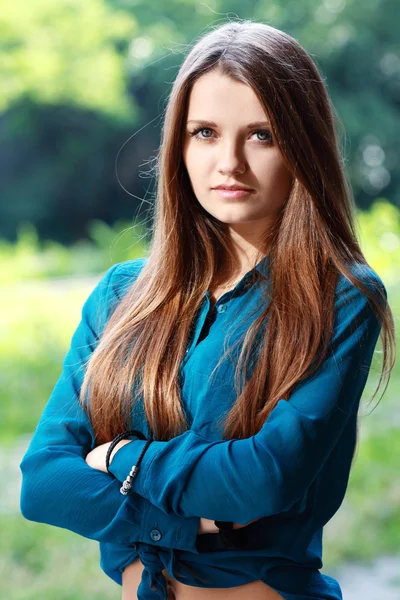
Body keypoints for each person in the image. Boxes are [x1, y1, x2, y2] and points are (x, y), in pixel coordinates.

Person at [19, 18, 396, 600]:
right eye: (205, 132)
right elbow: (44, 481)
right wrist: (192, 520)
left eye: (262, 135)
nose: (230, 163)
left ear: (303, 146)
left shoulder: (341, 296)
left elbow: (263, 479)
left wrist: (123, 456)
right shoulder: (122, 296)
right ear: (179, 144)